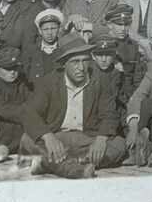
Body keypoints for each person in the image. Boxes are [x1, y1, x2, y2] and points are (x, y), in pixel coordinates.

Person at [19, 36, 127, 179]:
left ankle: (47, 163)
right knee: (27, 139)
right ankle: (73, 169)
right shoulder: (49, 82)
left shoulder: (99, 80)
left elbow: (110, 113)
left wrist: (101, 139)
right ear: (64, 64)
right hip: (57, 136)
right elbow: (29, 112)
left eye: (84, 61)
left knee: (119, 145)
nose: (81, 68)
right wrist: (48, 137)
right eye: (75, 62)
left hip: (85, 138)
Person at [0, 46, 31, 150]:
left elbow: (30, 101)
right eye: (8, 69)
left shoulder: (21, 84)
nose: (12, 72)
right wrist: (25, 112)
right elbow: (2, 110)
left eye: (15, 68)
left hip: (24, 131)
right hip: (5, 135)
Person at [24, 7, 65, 87]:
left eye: (53, 28)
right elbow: (26, 76)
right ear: (40, 31)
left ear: (59, 29)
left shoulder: (64, 50)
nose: (49, 33)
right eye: (45, 29)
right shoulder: (31, 51)